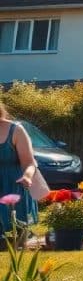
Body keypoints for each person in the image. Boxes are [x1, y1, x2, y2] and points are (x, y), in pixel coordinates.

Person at [0, 101, 38, 237]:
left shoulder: (16, 130)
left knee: (18, 232)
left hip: (14, 185)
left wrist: (27, 176)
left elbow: (29, 163)